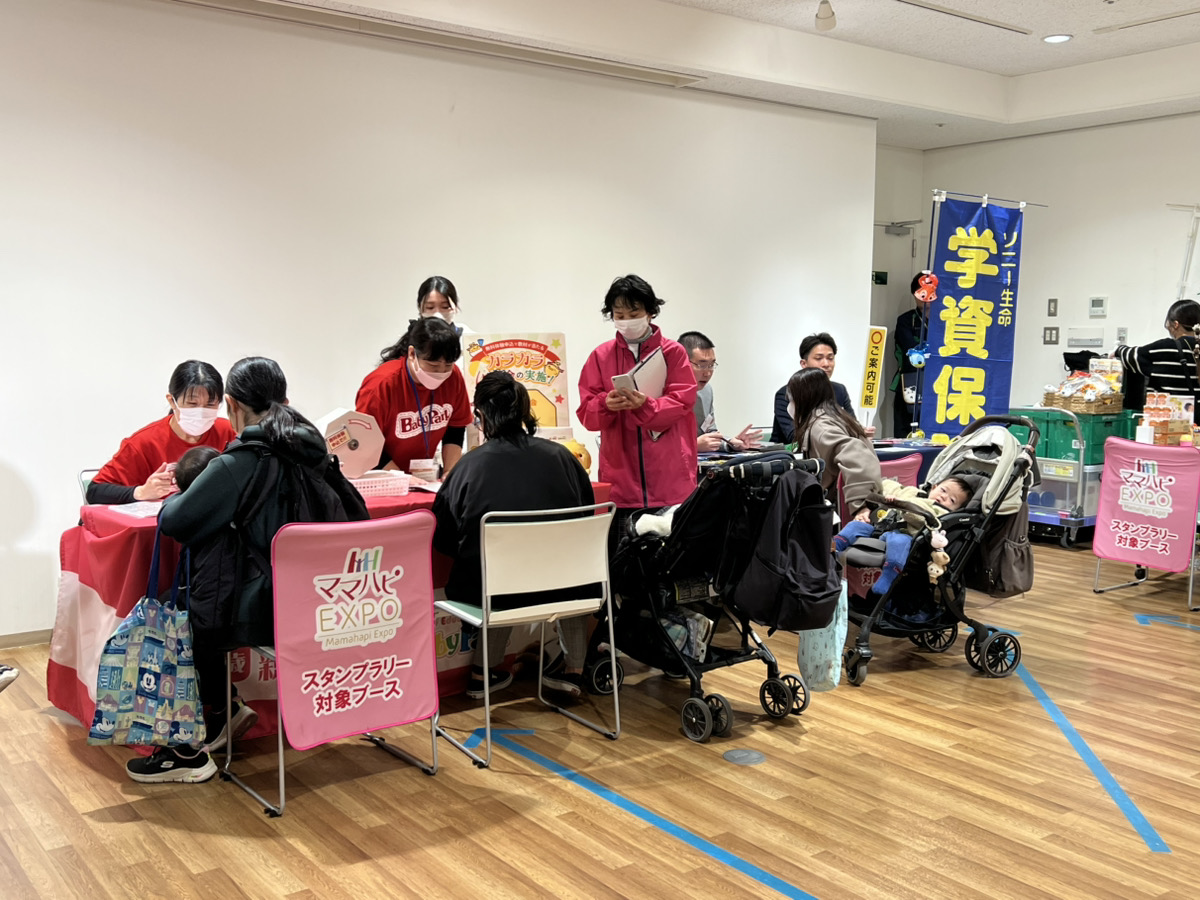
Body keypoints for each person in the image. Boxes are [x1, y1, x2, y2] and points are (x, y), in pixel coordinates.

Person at [126, 357, 367, 784]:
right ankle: (222, 713)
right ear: (286, 402)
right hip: (323, 604)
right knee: (198, 605)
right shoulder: (316, 455)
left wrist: (182, 492)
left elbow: (176, 521)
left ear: (232, 405)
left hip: (260, 612)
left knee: (172, 614)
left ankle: (184, 750)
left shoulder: (238, 463)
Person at [433, 372, 597, 698]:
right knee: (570, 568)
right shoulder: (562, 457)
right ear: (525, 411)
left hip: (495, 591)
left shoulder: (468, 466)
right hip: (565, 587)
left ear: (481, 415)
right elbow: (585, 519)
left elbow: (444, 538)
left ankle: (482, 674)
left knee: (493, 568)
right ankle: (574, 671)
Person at [577, 275, 698, 547]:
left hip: (670, 481)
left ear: (650, 312)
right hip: (621, 483)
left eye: (634, 314)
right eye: (619, 315)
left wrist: (646, 405)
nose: (627, 322)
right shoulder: (601, 356)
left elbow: (682, 402)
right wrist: (605, 405)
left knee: (671, 559)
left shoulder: (673, 353)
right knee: (624, 559)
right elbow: (586, 413)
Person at [87, 360, 238, 504]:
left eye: (210, 404)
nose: (201, 412)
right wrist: (141, 492)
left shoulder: (230, 432)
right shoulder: (144, 442)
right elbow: (95, 491)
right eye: (192, 403)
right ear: (172, 401)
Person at [355, 316, 473, 475]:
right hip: (383, 475)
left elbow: (455, 428)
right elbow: (365, 442)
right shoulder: (381, 385)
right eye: (433, 366)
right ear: (412, 354)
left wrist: (450, 473)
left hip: (426, 476)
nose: (441, 373)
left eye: (448, 365)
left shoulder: (453, 377)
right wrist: (400, 478)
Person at [833, 476, 973, 595]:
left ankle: (888, 575)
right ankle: (834, 548)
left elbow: (923, 520)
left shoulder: (940, 512)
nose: (943, 496)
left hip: (904, 533)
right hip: (879, 527)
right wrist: (887, 496)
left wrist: (904, 506)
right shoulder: (913, 492)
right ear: (934, 487)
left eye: (952, 500)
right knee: (855, 526)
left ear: (956, 509)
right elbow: (889, 485)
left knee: (899, 542)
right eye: (943, 490)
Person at [788, 367, 882, 518]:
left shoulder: (821, 428)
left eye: (791, 399)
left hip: (836, 512)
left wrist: (861, 504)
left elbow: (857, 455)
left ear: (802, 399)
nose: (790, 405)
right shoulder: (838, 416)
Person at [1114, 299, 1200, 425]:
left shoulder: (1164, 348)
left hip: (1165, 425)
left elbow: (1131, 356)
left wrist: (1118, 350)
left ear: (1176, 324)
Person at [677, 331, 760, 453]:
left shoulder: (706, 391)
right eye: (702, 365)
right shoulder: (659, 391)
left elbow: (710, 432)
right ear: (682, 362)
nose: (708, 373)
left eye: (711, 365)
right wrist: (693, 445)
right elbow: (654, 445)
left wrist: (730, 443)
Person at [771, 333, 857, 444]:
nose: (826, 364)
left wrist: (861, 432)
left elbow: (853, 426)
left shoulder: (839, 390)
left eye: (830, 358)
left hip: (833, 448)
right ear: (804, 364)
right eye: (819, 358)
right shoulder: (787, 393)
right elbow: (794, 436)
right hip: (791, 452)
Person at [891, 273, 934, 437]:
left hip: (939, 384)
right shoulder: (905, 321)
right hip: (910, 385)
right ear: (914, 294)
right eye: (921, 291)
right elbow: (912, 352)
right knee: (904, 435)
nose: (926, 296)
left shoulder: (947, 322)